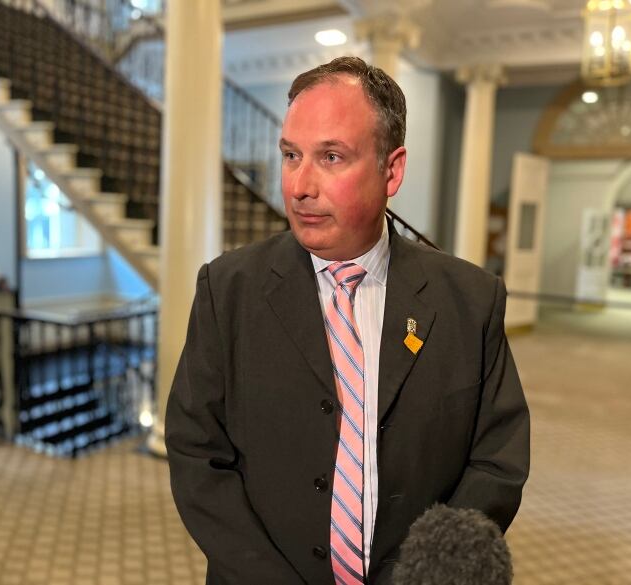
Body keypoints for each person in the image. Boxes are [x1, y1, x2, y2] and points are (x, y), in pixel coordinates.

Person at [166, 57, 530, 585]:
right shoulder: (227, 290)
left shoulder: (469, 301)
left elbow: (496, 462)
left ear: (392, 169)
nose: (299, 185)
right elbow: (197, 454)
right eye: (291, 155)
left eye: (331, 156)